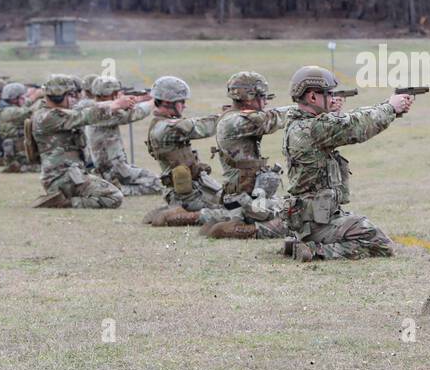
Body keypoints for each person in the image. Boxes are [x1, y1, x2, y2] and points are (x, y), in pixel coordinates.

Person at [278, 66, 412, 261]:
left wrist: (390, 108)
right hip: (318, 222)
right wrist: (391, 107)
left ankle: (301, 243)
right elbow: (355, 125)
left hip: (312, 216)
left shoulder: (297, 121)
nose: (333, 98)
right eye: (329, 94)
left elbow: (340, 121)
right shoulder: (315, 128)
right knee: (380, 244)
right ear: (312, 97)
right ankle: (314, 250)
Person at [30, 74, 149, 209]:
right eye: (71, 95)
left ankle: (65, 197)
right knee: (114, 197)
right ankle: (62, 202)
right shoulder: (48, 117)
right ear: (59, 96)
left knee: (111, 189)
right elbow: (83, 115)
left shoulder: (51, 112)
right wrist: (114, 105)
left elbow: (88, 107)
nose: (74, 99)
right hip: (62, 178)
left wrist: (115, 103)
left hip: (70, 174)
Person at [201, 71, 291, 240]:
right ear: (249, 97)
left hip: (246, 196)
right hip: (244, 199)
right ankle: (242, 227)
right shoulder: (235, 121)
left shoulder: (235, 118)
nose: (265, 102)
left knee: (291, 206)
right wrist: (306, 108)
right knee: (296, 220)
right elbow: (271, 119)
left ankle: (225, 217)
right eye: (262, 97)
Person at [141, 76, 239, 227]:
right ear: (168, 102)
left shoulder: (165, 124)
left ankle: (175, 210)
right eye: (182, 102)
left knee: (236, 203)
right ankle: (177, 215)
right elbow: (200, 127)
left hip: (197, 187)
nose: (185, 106)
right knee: (235, 212)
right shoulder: (166, 128)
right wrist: (228, 117)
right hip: (188, 195)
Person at [87, 76, 161, 195]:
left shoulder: (95, 109)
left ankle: (113, 188)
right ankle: (117, 190)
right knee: (157, 184)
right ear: (114, 94)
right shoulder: (104, 112)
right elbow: (133, 114)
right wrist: (154, 101)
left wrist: (138, 100)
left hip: (111, 166)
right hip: (113, 169)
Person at [0, 82, 41, 173]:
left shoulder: (7, 108)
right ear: (14, 99)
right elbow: (29, 112)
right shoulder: (9, 111)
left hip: (17, 150)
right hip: (18, 152)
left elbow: (25, 104)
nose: (24, 99)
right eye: (21, 97)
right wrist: (39, 99)